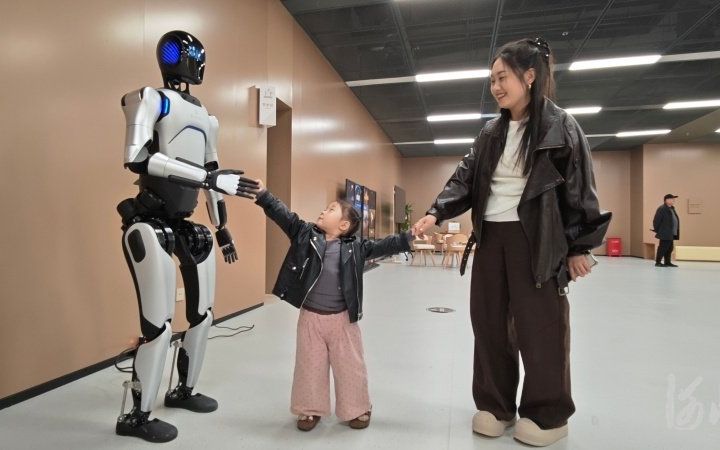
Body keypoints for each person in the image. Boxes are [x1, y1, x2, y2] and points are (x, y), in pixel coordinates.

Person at [411, 38, 611, 447]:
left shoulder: (561, 127)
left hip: (536, 240)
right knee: (488, 324)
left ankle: (547, 414)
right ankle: (496, 406)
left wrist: (580, 246)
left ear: (530, 76)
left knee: (542, 328)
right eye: (492, 80)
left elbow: (579, 191)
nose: (496, 87)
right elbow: (465, 178)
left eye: (502, 78)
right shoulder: (491, 132)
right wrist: (436, 212)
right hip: (490, 238)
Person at [250, 180, 413, 431]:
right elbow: (284, 216)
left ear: (343, 225)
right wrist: (264, 195)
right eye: (326, 208)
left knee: (350, 367)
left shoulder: (356, 247)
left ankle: (357, 408)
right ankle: (309, 409)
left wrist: (409, 237)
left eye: (331, 209)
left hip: (343, 320)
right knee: (309, 365)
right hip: (311, 318)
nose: (323, 211)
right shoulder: (304, 234)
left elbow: (385, 245)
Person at [652, 194, 680, 267]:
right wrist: (659, 231)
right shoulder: (662, 208)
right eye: (672, 199)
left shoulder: (672, 208)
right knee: (662, 248)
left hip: (671, 233)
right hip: (665, 232)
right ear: (666, 200)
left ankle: (667, 262)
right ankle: (658, 262)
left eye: (673, 199)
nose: (673, 200)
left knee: (670, 248)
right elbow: (656, 221)